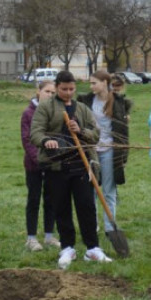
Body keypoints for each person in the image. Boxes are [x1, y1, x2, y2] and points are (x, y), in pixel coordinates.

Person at [30, 71, 114, 269]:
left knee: (86, 206)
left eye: (71, 89)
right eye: (64, 89)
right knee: (62, 208)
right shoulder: (45, 108)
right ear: (57, 87)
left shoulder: (83, 109)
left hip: (82, 166)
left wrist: (81, 131)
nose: (68, 93)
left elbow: (95, 134)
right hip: (56, 167)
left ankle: (92, 248)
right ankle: (67, 247)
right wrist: (46, 141)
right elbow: (35, 133)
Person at [78, 70, 130, 247]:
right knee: (91, 189)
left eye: (94, 83)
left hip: (109, 150)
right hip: (91, 150)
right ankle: (93, 226)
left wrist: (123, 155)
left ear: (104, 82)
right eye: (90, 83)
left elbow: (123, 130)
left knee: (108, 190)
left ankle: (110, 227)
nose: (91, 86)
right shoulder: (85, 101)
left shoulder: (118, 101)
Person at [21, 80, 60, 252]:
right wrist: (39, 160)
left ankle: (49, 235)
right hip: (34, 165)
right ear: (38, 91)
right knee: (34, 199)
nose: (50, 95)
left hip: (52, 164)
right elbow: (27, 140)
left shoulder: (56, 111)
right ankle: (31, 238)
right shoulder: (28, 113)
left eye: (53, 92)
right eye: (47, 91)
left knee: (51, 200)